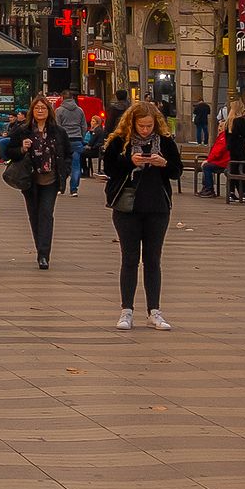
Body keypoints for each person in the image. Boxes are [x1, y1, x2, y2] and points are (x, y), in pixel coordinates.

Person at [103, 100, 183, 329]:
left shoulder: (165, 142)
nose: (146, 130)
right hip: (127, 207)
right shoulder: (120, 141)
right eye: (141, 126)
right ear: (133, 123)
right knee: (129, 259)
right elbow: (108, 169)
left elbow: (176, 171)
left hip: (157, 206)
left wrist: (163, 162)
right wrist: (129, 161)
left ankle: (154, 311)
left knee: (153, 259)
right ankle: (126, 310)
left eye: (149, 126)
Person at [1, 95, 68, 268]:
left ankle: (44, 254)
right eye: (37, 108)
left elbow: (67, 153)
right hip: (29, 179)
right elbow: (9, 152)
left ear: (49, 111)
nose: (40, 111)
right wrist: (22, 148)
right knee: (34, 215)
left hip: (51, 179)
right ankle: (40, 248)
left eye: (43, 108)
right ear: (32, 111)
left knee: (46, 213)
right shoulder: (23, 130)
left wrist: (65, 172)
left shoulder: (58, 131)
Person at [54, 93, 88, 195]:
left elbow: (57, 126)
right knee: (76, 165)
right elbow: (84, 126)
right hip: (77, 139)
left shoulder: (59, 110)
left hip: (63, 141)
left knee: (61, 165)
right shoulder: (80, 110)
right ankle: (74, 189)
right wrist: (81, 136)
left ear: (62, 98)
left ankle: (61, 187)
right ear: (72, 98)